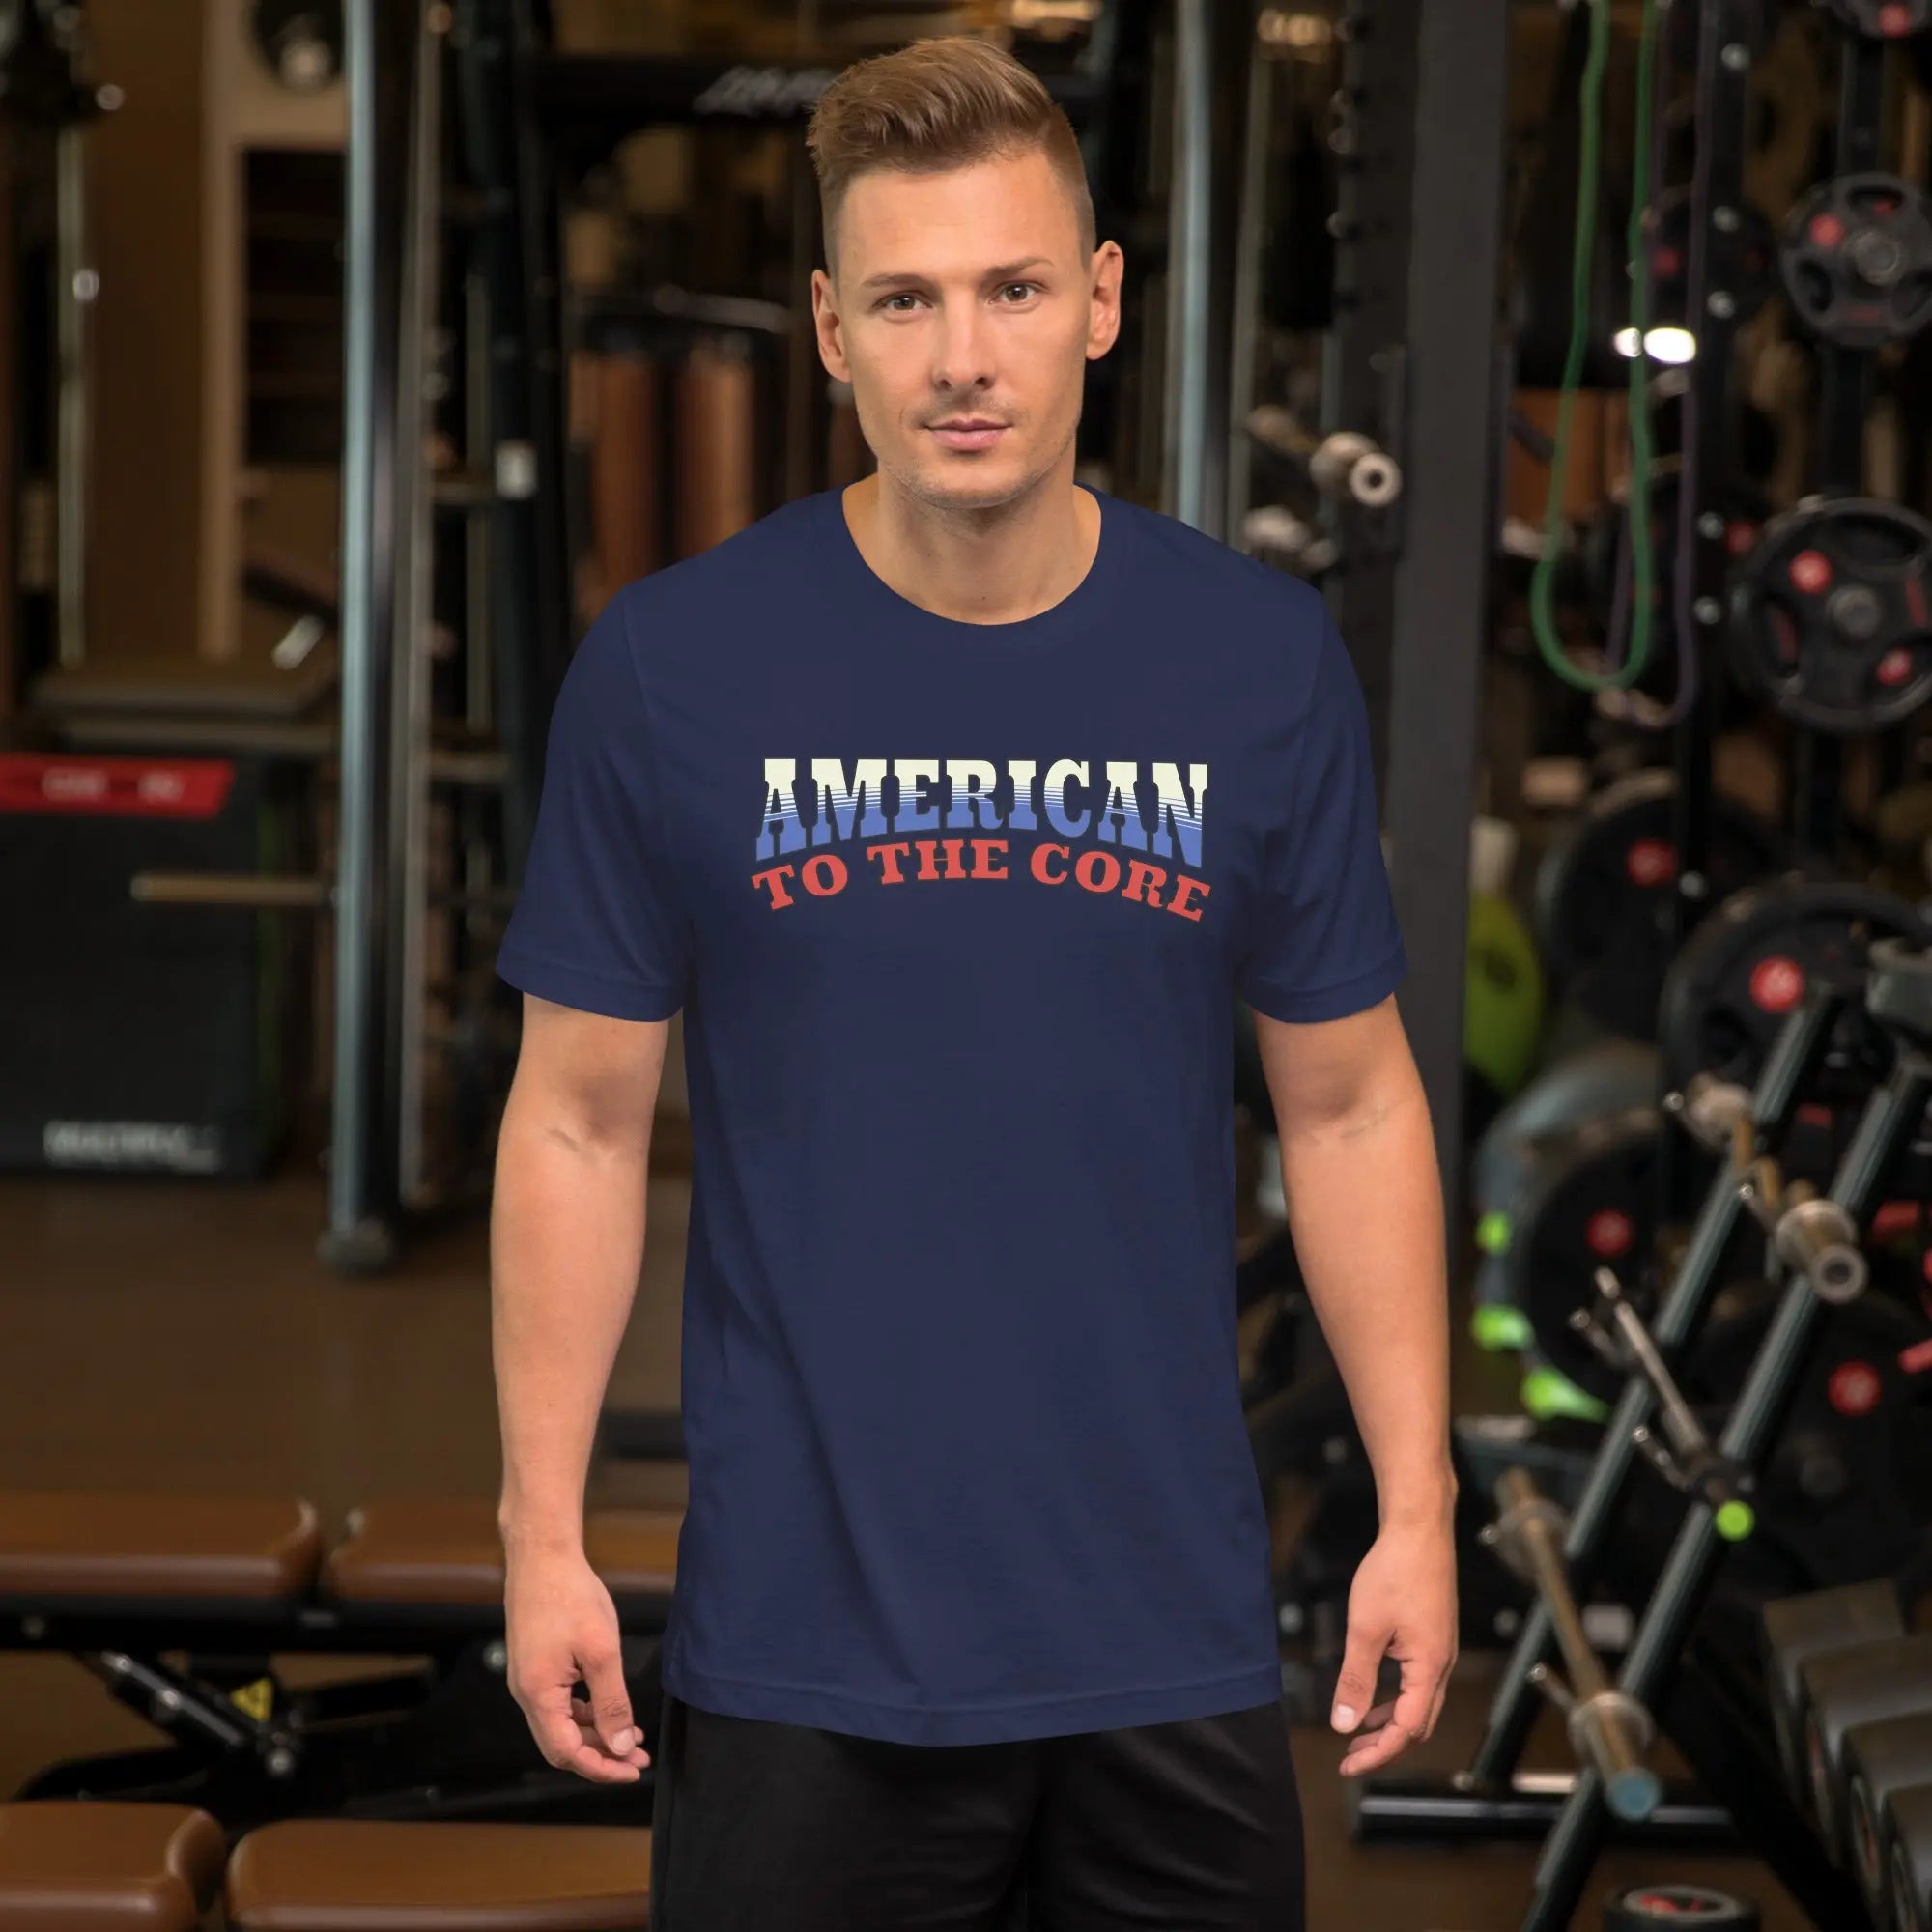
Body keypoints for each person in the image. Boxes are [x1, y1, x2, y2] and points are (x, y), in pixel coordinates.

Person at [491, 32, 1455, 1931]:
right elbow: (579, 1120)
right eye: (908, 300)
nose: (962, 357)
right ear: (831, 328)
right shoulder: (676, 669)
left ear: (1098, 304)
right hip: (803, 1650)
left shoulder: (1254, 666)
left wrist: (1411, 1511)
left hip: (1164, 1642)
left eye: (1013, 288)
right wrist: (541, 1534)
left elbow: (1350, 1100)